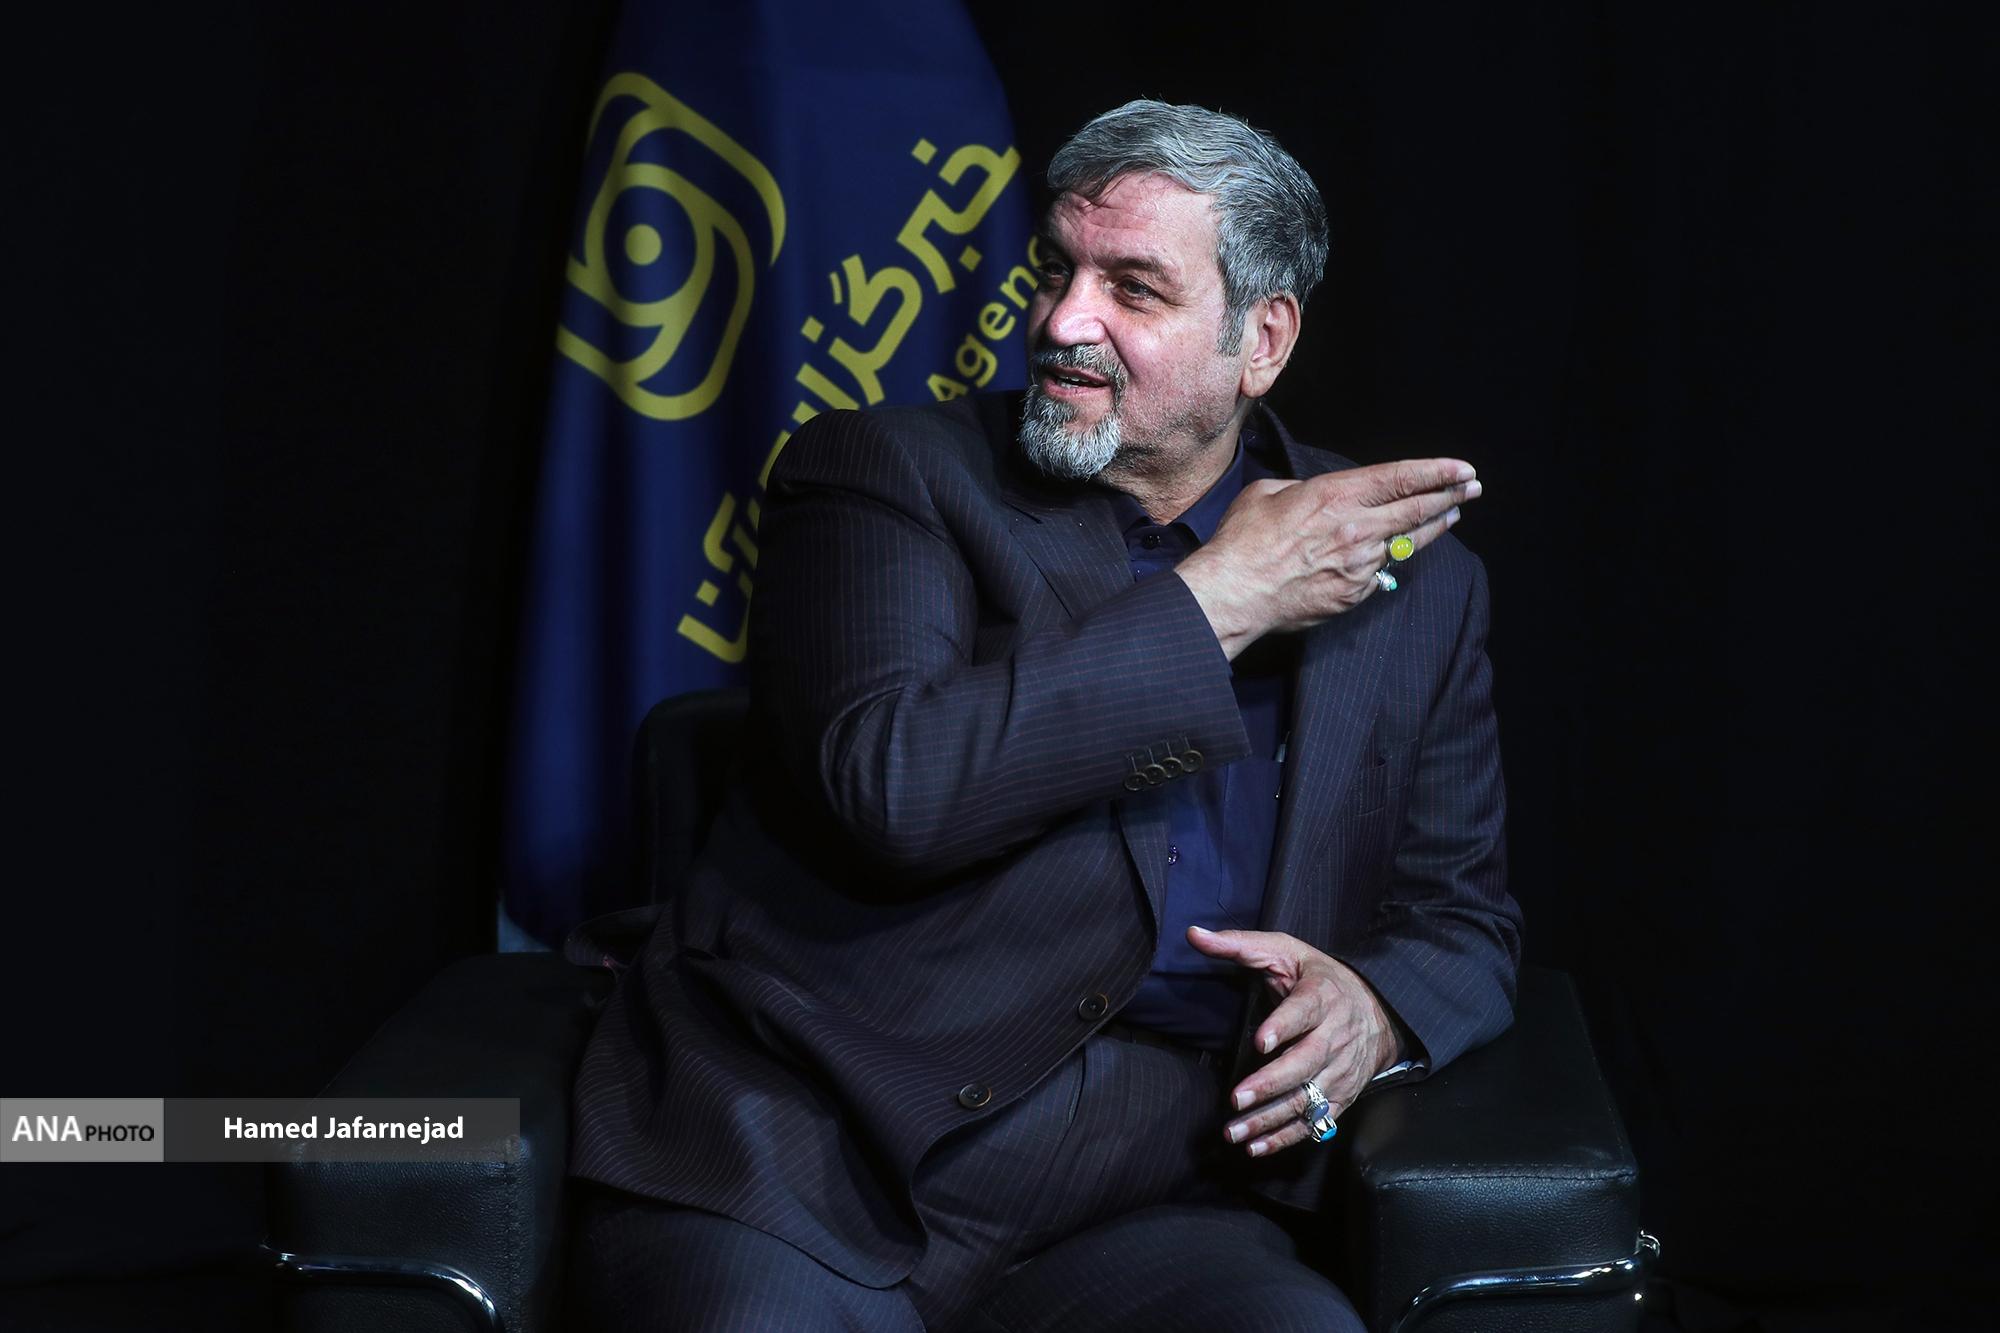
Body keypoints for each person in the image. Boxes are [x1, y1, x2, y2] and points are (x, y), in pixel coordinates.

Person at [566, 100, 1521, 1332]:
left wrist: (1376, 1011)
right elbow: (892, 790)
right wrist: (1221, 596)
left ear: (1261, 338)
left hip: (1154, 1191)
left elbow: (1461, 919)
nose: (1065, 321)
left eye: (1133, 288)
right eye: (1056, 271)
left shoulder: (1411, 580)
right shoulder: (882, 475)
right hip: (806, 1151)